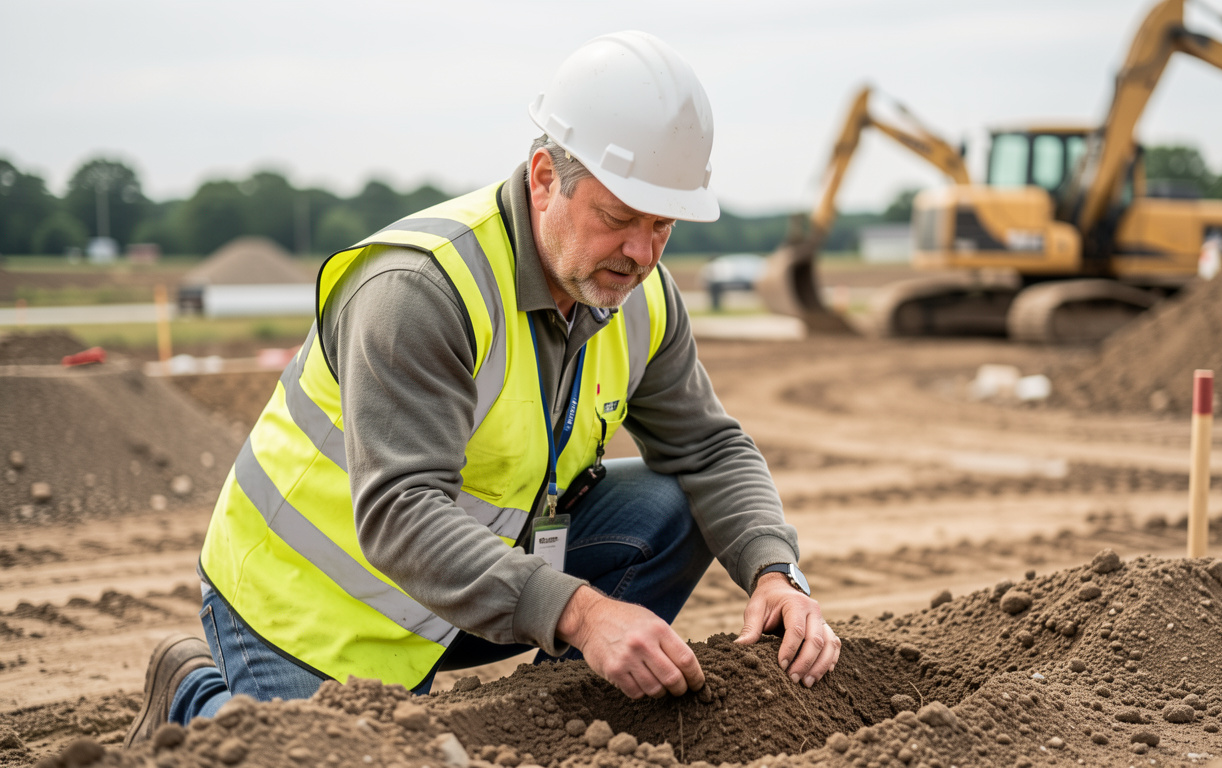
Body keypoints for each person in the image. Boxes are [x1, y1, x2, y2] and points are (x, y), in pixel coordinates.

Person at [125, 30, 840, 745]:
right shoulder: (420, 290)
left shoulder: (643, 297)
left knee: (674, 501)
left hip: (459, 585)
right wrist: (585, 613)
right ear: (542, 178)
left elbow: (710, 450)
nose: (641, 254)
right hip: (308, 604)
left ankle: (570, 723)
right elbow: (401, 511)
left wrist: (776, 572)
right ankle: (195, 697)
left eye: (662, 226)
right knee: (335, 755)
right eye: (618, 218)